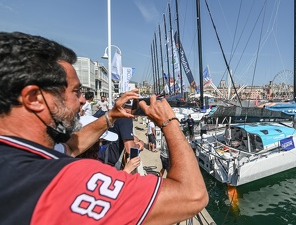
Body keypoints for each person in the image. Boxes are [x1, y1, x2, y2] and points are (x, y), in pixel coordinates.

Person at [0, 32, 208, 224]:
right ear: (34, 98)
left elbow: (72, 147)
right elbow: (192, 196)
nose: (83, 101)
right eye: (76, 92)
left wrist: (112, 116)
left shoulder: (18, 159)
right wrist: (169, 122)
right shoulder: (65, 179)